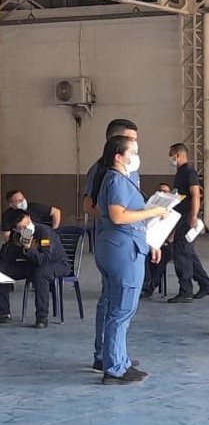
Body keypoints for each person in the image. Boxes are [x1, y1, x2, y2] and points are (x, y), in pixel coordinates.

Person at [93, 136, 167, 384]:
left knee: (117, 307)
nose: (136, 155)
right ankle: (114, 368)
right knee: (122, 309)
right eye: (132, 151)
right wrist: (155, 211)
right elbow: (119, 215)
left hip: (116, 246)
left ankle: (119, 360)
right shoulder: (116, 179)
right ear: (118, 156)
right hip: (123, 249)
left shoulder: (119, 179)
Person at [83, 118, 140, 373]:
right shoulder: (103, 171)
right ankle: (105, 355)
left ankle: (115, 355)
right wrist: (115, 217)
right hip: (116, 240)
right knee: (113, 302)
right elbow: (94, 207)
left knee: (119, 303)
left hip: (130, 238)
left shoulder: (128, 172)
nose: (136, 147)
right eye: (131, 142)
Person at [0, 210, 70, 327]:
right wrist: (11, 247)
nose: (23, 228)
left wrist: (29, 248)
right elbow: (9, 257)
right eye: (19, 227)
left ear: (28, 217)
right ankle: (4, 312)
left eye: (24, 225)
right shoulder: (17, 234)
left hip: (57, 263)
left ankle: (42, 317)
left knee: (40, 273)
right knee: (2, 271)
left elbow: (43, 259)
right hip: (32, 263)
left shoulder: (44, 232)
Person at [168, 143, 209, 303]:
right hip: (181, 216)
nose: (170, 158)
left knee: (181, 253)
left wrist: (193, 215)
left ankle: (186, 290)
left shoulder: (189, 172)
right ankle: (205, 284)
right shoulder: (179, 173)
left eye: (171, 155)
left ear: (179, 155)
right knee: (188, 252)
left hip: (188, 217)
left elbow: (195, 195)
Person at [141, 183, 174, 299]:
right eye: (161, 191)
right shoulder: (150, 208)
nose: (164, 194)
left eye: (166, 192)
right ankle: (144, 284)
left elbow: (172, 237)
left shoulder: (173, 212)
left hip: (165, 244)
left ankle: (150, 286)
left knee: (162, 257)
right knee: (143, 255)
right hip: (148, 242)